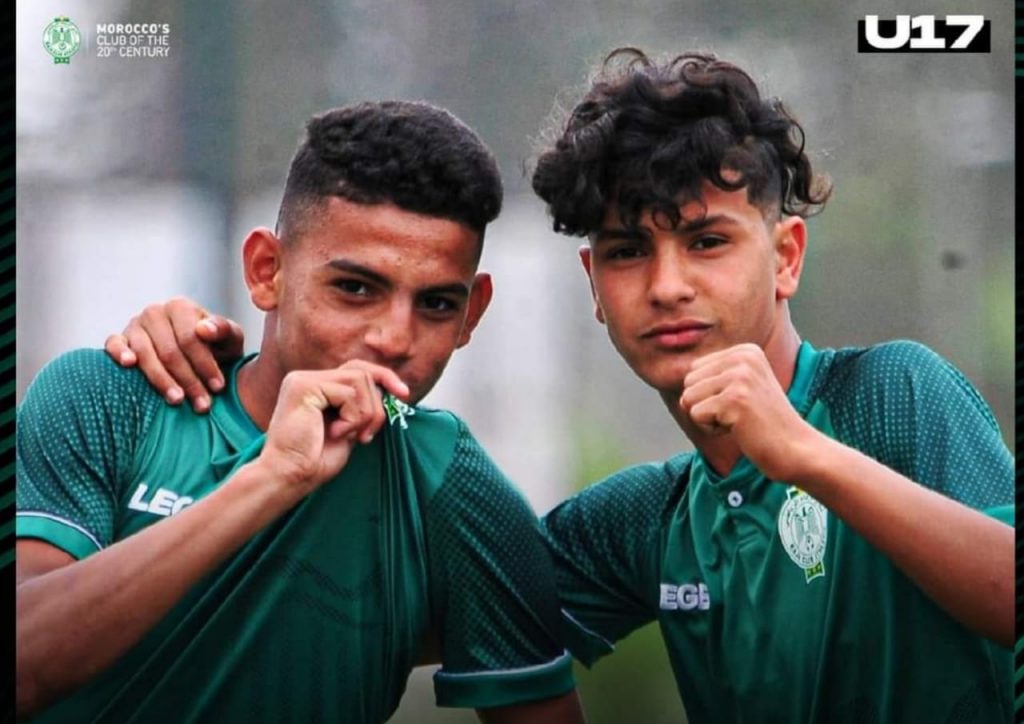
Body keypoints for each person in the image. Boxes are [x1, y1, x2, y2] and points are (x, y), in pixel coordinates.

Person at [103, 49, 1014, 723]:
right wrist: (215, 373)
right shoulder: (644, 524)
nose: (666, 285)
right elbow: (377, 623)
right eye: (627, 251)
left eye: (706, 241)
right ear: (593, 287)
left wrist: (807, 457)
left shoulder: (892, 396)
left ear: (785, 258)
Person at [16, 101, 583, 723]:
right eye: (355, 288)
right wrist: (272, 477)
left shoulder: (452, 483)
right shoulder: (113, 398)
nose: (395, 338)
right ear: (268, 271)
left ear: (472, 313)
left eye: (437, 305)